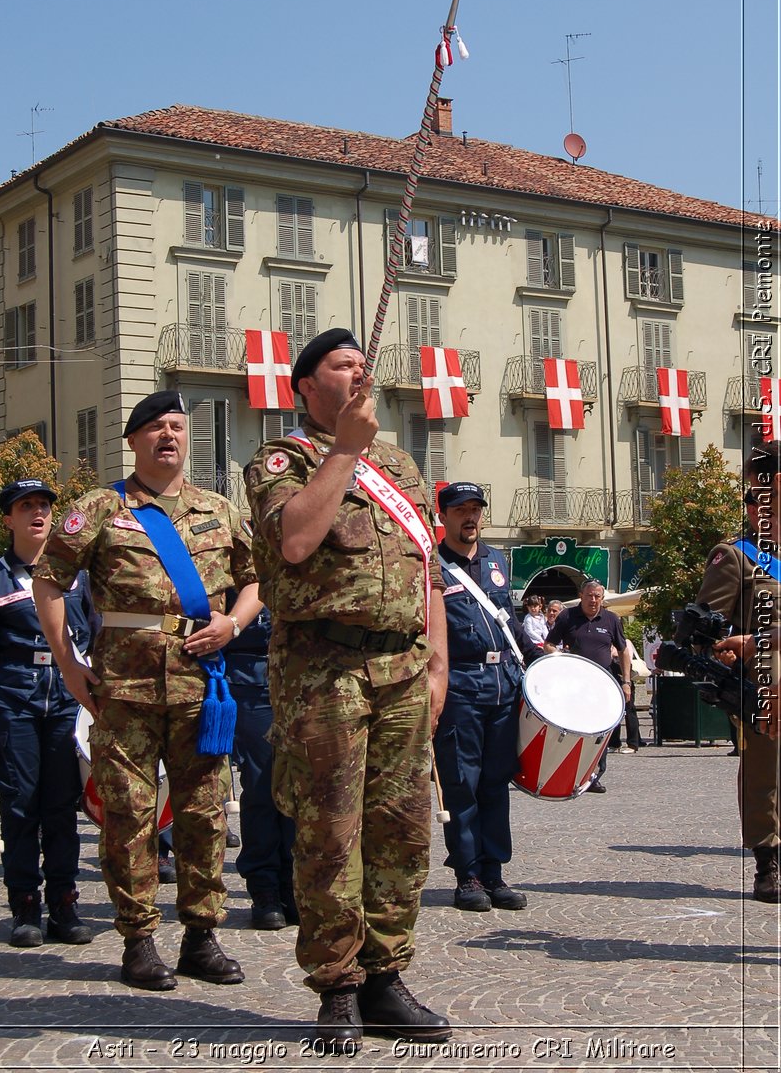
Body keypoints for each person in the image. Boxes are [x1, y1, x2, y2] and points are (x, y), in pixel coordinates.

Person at [247, 328, 451, 1048]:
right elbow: (296, 541)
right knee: (331, 834)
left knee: (402, 831)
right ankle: (337, 986)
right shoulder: (284, 459)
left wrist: (438, 665)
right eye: (342, 365)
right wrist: (344, 453)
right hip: (325, 672)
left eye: (363, 364)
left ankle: (387, 976)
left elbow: (426, 570)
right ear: (307, 386)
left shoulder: (398, 463)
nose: (359, 372)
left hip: (402, 669)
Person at [32, 390, 260, 990]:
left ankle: (200, 937)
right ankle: (138, 940)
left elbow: (257, 580)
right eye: (156, 427)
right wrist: (67, 663)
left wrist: (233, 623)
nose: (169, 436)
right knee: (130, 817)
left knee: (204, 815)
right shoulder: (100, 509)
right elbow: (50, 580)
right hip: (123, 690)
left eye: (178, 427)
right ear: (133, 441)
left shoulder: (219, 509)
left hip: (200, 690)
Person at [0, 479, 94, 947]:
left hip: (67, 701)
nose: (37, 512)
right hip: (16, 703)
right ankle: (25, 904)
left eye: (44, 505)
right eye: (25, 506)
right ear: (8, 519)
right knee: (21, 805)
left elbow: (93, 635)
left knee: (62, 808)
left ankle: (65, 904)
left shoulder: (76, 576)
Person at [433, 482, 540, 912]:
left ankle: (494, 871)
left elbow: (508, 622)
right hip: (460, 684)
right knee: (462, 783)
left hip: (502, 684)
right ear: (444, 517)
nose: (471, 517)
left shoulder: (497, 560)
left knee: (497, 782)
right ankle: (468, 874)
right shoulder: (432, 563)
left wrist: (538, 656)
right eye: (461, 510)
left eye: (476, 508)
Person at [689, 441, 780, 903]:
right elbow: (707, 628)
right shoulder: (736, 555)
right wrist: (723, 652)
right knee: (767, 771)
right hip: (764, 679)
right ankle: (768, 861)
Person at [223, 579, 297, 930]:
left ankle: (294, 883)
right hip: (250, 675)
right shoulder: (235, 530)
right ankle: (265, 887)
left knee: (303, 787)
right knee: (263, 783)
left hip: (303, 675)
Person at [544, 578, 631, 793]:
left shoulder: (611, 619)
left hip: (604, 684)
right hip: (575, 683)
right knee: (575, 729)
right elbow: (548, 644)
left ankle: (594, 775)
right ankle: (569, 773)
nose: (593, 600)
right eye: (589, 596)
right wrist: (561, 658)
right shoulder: (567, 616)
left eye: (597, 596)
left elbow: (622, 650)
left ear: (602, 598)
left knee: (601, 731)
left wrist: (626, 682)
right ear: (581, 596)